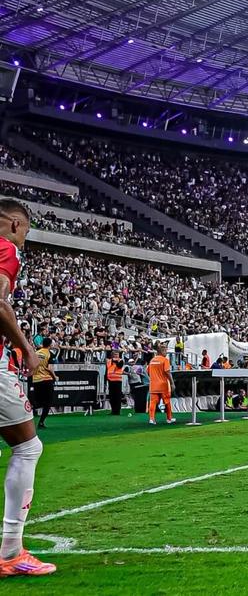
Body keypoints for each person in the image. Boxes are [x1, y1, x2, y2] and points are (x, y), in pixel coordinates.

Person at [0, 198, 56, 576]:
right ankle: (10, 551)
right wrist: (26, 348)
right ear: (17, 225)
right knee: (27, 446)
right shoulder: (6, 248)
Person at [29, 338, 56, 431]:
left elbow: (31, 365)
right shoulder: (50, 354)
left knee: (37, 401)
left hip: (36, 379)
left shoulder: (36, 353)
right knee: (48, 402)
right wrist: (55, 377)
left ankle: (28, 416)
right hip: (46, 379)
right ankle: (41, 422)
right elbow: (49, 369)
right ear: (50, 345)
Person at [147, 344, 175, 425]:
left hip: (153, 385)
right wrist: (172, 383)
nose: (166, 352)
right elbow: (167, 372)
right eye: (166, 350)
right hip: (163, 385)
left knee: (153, 402)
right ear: (162, 351)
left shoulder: (152, 360)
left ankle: (152, 419)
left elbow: (148, 372)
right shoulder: (164, 360)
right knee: (167, 402)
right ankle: (169, 419)